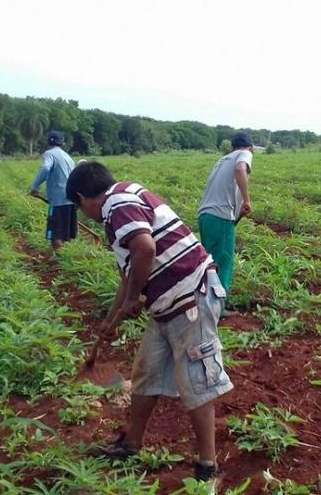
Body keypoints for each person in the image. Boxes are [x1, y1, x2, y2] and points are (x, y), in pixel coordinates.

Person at [65, 161, 233, 483]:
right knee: (146, 372)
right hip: (166, 304)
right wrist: (111, 320)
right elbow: (128, 277)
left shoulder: (117, 203)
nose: (84, 213)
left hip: (190, 295)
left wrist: (133, 299)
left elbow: (145, 248)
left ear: (83, 198)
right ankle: (131, 444)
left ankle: (207, 468)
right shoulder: (121, 204)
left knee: (197, 382)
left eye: (79, 207)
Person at [197, 132, 254, 317]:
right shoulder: (244, 154)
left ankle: (205, 303)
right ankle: (217, 308)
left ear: (231, 147)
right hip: (219, 216)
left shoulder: (222, 160)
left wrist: (237, 216)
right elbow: (240, 169)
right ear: (250, 147)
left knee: (209, 262)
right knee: (222, 262)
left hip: (205, 216)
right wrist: (247, 200)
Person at [29, 131, 77, 251]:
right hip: (71, 199)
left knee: (56, 234)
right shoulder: (67, 156)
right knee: (66, 233)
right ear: (62, 142)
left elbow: (45, 167)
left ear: (48, 141)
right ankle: (67, 257)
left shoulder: (49, 154)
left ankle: (58, 259)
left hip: (58, 201)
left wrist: (35, 187)